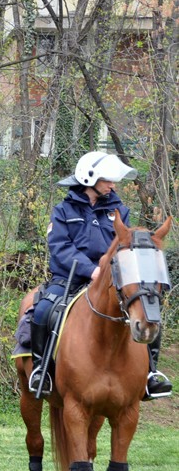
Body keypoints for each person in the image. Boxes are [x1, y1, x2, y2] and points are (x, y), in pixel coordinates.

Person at [27, 151, 172, 399]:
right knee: (42, 310)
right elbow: (61, 247)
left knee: (148, 309)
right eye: (108, 180)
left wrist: (109, 271)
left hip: (110, 280)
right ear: (89, 178)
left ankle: (151, 374)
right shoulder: (63, 210)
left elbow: (124, 245)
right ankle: (42, 370)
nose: (113, 185)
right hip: (69, 278)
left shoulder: (119, 210)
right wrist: (91, 269)